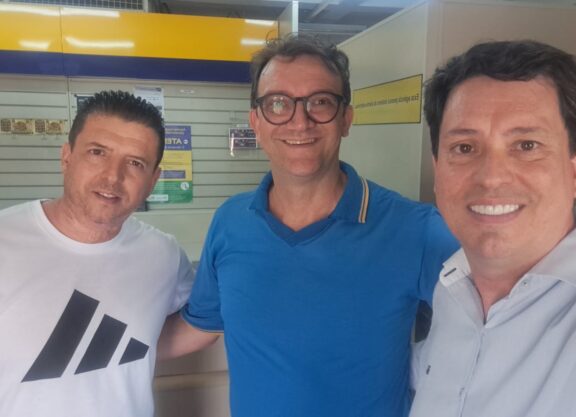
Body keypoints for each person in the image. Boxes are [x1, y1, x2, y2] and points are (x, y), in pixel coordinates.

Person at [158, 35, 457, 417]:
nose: (300, 121)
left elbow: (500, 326)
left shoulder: (416, 230)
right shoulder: (230, 222)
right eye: (278, 103)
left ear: (346, 119)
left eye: (320, 102)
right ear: (256, 122)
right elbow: (200, 327)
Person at [410, 40, 576, 417]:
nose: (492, 177)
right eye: (465, 148)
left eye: (526, 145)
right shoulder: (452, 287)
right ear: (437, 171)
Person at [0, 91, 194, 417]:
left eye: (135, 163)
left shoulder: (163, 255)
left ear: (152, 181)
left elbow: (199, 325)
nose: (112, 176)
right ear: (66, 157)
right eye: (97, 152)